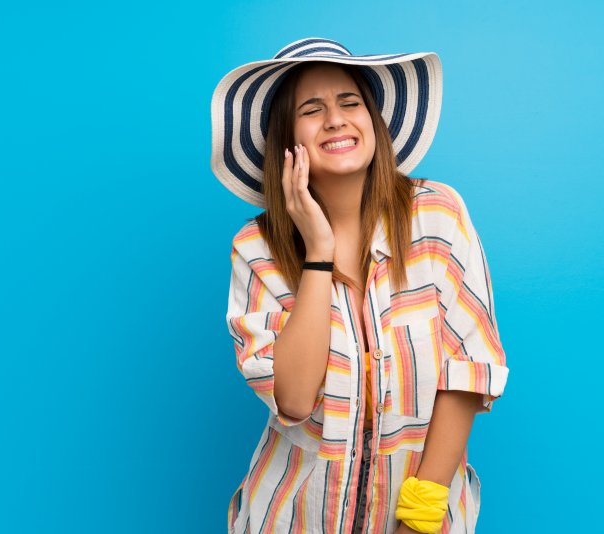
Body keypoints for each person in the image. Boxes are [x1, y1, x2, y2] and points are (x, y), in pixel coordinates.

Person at [211, 38, 510, 534]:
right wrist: (318, 251)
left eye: (350, 102)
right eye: (312, 109)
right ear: (288, 141)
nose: (335, 119)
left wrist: (419, 514)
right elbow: (295, 399)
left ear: (372, 120)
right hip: (292, 518)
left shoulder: (436, 215)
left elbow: (468, 372)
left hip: (425, 517)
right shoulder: (256, 248)